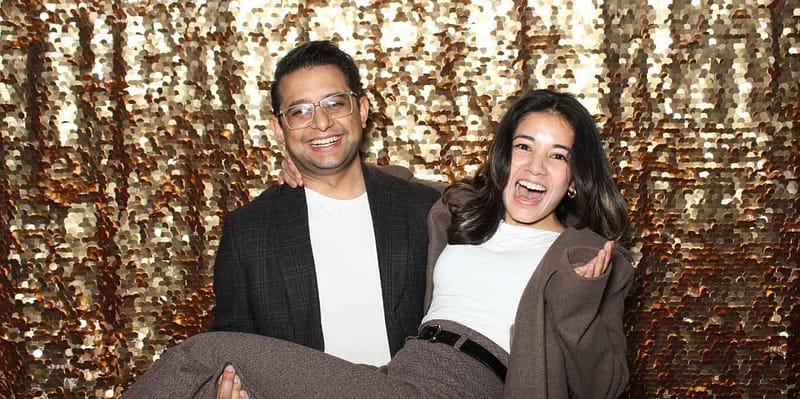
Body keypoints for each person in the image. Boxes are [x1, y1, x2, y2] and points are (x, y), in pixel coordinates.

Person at [122, 89, 634, 399]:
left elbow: (604, 386)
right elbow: (391, 182)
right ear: (506, 157)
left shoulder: (586, 257)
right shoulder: (462, 211)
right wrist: (309, 166)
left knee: (204, 355)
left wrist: (577, 301)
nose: (535, 167)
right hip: (400, 374)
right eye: (524, 147)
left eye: (557, 155)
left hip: (466, 384)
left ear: (575, 177)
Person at [211, 40, 441, 366]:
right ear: (279, 129)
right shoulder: (248, 232)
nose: (321, 123)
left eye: (334, 104)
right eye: (300, 111)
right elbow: (230, 350)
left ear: (362, 110)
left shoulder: (425, 210)